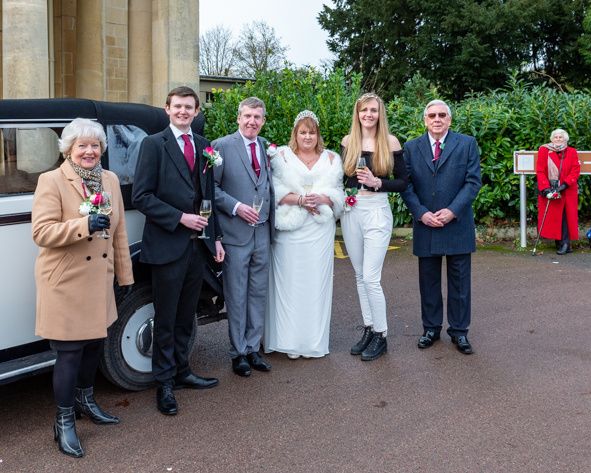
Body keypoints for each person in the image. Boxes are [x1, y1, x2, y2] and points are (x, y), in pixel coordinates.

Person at [32, 118, 134, 458]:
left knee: (94, 346)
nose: (89, 151)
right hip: (65, 282)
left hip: (99, 281)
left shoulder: (110, 179)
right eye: (82, 146)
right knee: (70, 353)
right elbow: (42, 233)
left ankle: (86, 400)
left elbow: (119, 233)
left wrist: (125, 278)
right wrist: (83, 225)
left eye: (95, 145)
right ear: (69, 149)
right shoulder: (51, 180)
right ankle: (63, 421)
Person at [132, 86, 224, 416]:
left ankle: (183, 371)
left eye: (189, 107)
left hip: (197, 249)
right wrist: (179, 218)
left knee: (187, 316)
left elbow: (207, 197)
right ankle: (165, 383)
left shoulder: (204, 147)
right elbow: (141, 196)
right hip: (167, 244)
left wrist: (214, 238)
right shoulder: (153, 144)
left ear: (197, 111)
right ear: (167, 109)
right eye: (177, 106)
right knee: (166, 319)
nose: (183, 111)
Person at [401, 99, 482, 355]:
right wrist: (421, 213)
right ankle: (431, 329)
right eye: (432, 115)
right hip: (426, 224)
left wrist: (452, 211)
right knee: (429, 282)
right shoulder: (411, 148)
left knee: (460, 283)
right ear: (425, 120)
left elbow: (472, 182)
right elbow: (406, 185)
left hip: (456, 224)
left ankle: (459, 332)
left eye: (442, 115)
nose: (437, 119)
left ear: (449, 119)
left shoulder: (467, 143)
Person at [264, 110, 344, 359]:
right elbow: (273, 190)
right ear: (295, 134)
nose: (307, 136)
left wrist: (325, 198)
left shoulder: (332, 158)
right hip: (290, 230)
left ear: (317, 134)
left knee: (315, 285)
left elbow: (339, 193)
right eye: (302, 132)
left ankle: (311, 342)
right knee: (288, 284)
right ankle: (287, 341)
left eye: (311, 132)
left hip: (319, 230)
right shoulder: (282, 157)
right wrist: (299, 199)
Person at [341, 93, 409, 361]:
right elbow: (342, 179)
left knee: (371, 277)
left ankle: (381, 334)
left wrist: (377, 182)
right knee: (359, 276)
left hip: (377, 212)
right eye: (363, 110)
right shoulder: (348, 142)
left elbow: (403, 182)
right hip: (351, 211)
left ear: (380, 114)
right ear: (357, 114)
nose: (368, 115)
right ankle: (369, 328)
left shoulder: (390, 142)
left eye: (373, 110)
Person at [213, 97, 274, 376]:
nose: (252, 121)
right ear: (238, 118)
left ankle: (253, 348)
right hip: (235, 234)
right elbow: (209, 189)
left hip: (262, 232)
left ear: (263, 120)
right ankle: (238, 353)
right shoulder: (221, 146)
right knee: (236, 295)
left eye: (257, 117)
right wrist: (236, 207)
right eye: (247, 116)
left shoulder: (266, 147)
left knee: (258, 293)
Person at [536, 129, 580, 255]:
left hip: (567, 189)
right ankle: (560, 242)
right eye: (556, 137)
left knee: (566, 216)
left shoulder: (571, 151)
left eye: (561, 137)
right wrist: (545, 188)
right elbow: (540, 170)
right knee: (555, 216)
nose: (558, 139)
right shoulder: (544, 150)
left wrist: (565, 185)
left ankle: (566, 243)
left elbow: (575, 170)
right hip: (551, 187)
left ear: (566, 139)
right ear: (552, 139)